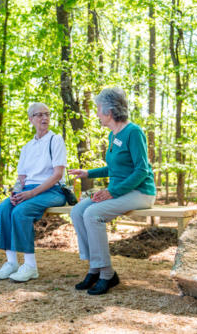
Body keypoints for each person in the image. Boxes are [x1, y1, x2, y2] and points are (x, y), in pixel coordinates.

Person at [69, 87, 156, 295]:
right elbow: (115, 168)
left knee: (93, 213)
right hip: (120, 191)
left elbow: (141, 170)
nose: (97, 114)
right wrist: (88, 173)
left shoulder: (133, 132)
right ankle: (95, 268)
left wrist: (112, 192)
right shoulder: (112, 134)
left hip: (141, 192)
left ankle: (107, 274)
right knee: (77, 211)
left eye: (98, 110)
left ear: (109, 112)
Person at [0, 102, 67, 283]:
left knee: (21, 211)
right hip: (29, 191)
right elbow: (21, 178)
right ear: (30, 119)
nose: (44, 118)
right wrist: (16, 192)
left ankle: (30, 266)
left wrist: (31, 194)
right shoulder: (27, 147)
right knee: (5, 208)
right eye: (39, 114)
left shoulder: (55, 140)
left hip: (52, 190)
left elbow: (57, 174)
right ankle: (11, 262)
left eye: (47, 114)